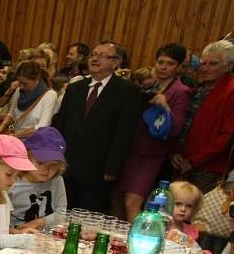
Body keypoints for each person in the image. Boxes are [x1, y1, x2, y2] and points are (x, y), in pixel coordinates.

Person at [52, 41, 140, 212]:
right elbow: (60, 123)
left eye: (103, 56)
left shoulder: (127, 91)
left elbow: (124, 132)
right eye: (93, 55)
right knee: (62, 212)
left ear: (115, 62)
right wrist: (56, 155)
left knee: (88, 216)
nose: (95, 59)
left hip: (99, 168)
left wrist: (113, 167)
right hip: (68, 165)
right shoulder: (75, 88)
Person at [115, 43, 192, 222]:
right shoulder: (147, 84)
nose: (163, 67)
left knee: (132, 203)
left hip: (150, 155)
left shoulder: (182, 91)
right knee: (116, 200)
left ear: (179, 67)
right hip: (129, 150)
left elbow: (177, 128)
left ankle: (137, 244)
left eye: (170, 63)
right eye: (160, 62)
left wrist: (165, 106)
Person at [172, 40, 234, 193]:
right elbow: (185, 125)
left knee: (197, 215)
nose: (205, 68)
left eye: (213, 64)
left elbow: (227, 137)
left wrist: (194, 161)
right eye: (203, 63)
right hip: (182, 164)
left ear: (229, 66)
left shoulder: (231, 92)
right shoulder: (199, 88)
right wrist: (174, 152)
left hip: (209, 170)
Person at [9, 127, 68, 230]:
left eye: (53, 165)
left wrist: (37, 223)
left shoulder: (57, 180)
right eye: (40, 163)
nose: (46, 170)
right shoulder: (12, 181)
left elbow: (61, 213)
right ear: (27, 157)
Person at [0, 60, 57, 139]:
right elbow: (12, 114)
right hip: (15, 138)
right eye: (19, 82)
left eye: (25, 83)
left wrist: (16, 135)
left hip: (33, 142)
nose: (21, 87)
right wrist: (3, 126)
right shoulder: (18, 91)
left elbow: (42, 126)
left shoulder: (50, 95)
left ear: (36, 79)